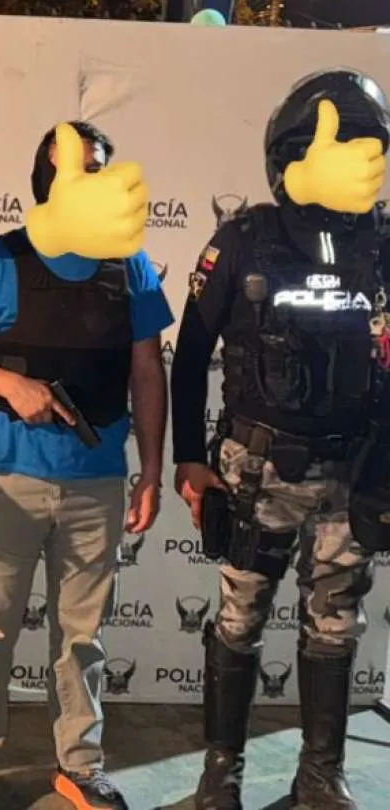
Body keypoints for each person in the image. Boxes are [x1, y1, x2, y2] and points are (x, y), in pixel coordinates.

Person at [0, 121, 172, 810]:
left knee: (83, 638)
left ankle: (80, 765)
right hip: (8, 477)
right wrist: (9, 384)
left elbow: (147, 373)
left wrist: (152, 473)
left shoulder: (130, 265)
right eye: (82, 168)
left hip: (97, 482)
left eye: (101, 167)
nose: (97, 179)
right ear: (47, 180)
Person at [171, 69, 390, 810]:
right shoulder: (243, 239)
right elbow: (190, 355)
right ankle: (221, 770)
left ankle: (320, 775)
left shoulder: (381, 243)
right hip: (256, 472)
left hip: (352, 471)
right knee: (239, 618)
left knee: (336, 625)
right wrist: (188, 458)